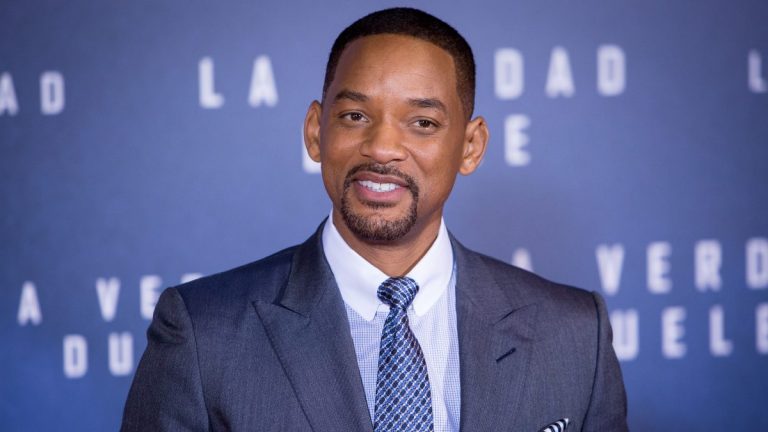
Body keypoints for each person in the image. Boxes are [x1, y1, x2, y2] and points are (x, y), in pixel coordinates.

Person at [121, 7, 628, 432]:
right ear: (315, 132)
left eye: (422, 122)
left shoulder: (574, 336)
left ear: (471, 146)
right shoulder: (204, 334)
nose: (383, 147)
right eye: (355, 116)